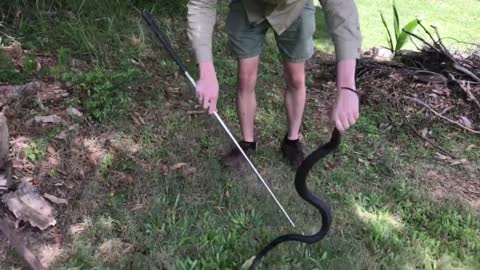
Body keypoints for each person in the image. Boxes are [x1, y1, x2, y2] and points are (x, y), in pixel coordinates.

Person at [187, 0, 361, 168]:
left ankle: (292, 141)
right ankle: (247, 144)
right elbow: (201, 4)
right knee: (245, 78)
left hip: (295, 8)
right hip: (249, 6)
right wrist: (206, 70)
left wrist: (346, 86)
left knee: (296, 78)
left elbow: (341, 7)